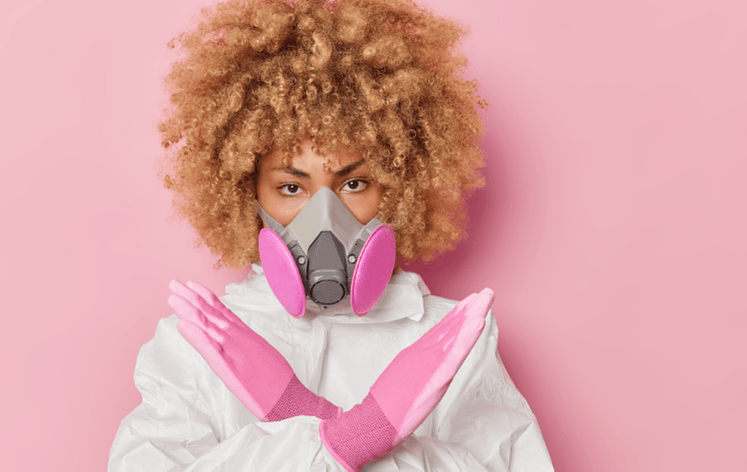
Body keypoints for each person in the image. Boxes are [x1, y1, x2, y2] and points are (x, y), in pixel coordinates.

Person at [109, 0, 554, 470]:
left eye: (353, 184)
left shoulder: (449, 342)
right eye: (291, 187)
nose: (324, 216)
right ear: (247, 194)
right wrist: (342, 434)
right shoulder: (200, 344)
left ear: (398, 188)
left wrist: (356, 434)